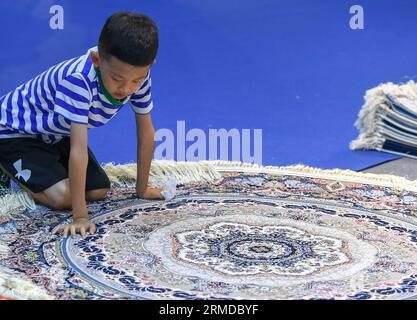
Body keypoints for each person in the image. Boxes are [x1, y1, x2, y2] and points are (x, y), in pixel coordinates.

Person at [0, 12, 164, 238]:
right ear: (97, 60)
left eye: (135, 80)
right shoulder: (78, 79)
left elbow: (146, 132)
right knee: (65, 198)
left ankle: (44, 166)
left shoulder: (140, 77)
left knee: (98, 190)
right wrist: (80, 217)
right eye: (117, 79)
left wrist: (142, 188)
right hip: (13, 133)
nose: (126, 88)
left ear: (149, 65)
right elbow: (78, 148)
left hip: (54, 134)